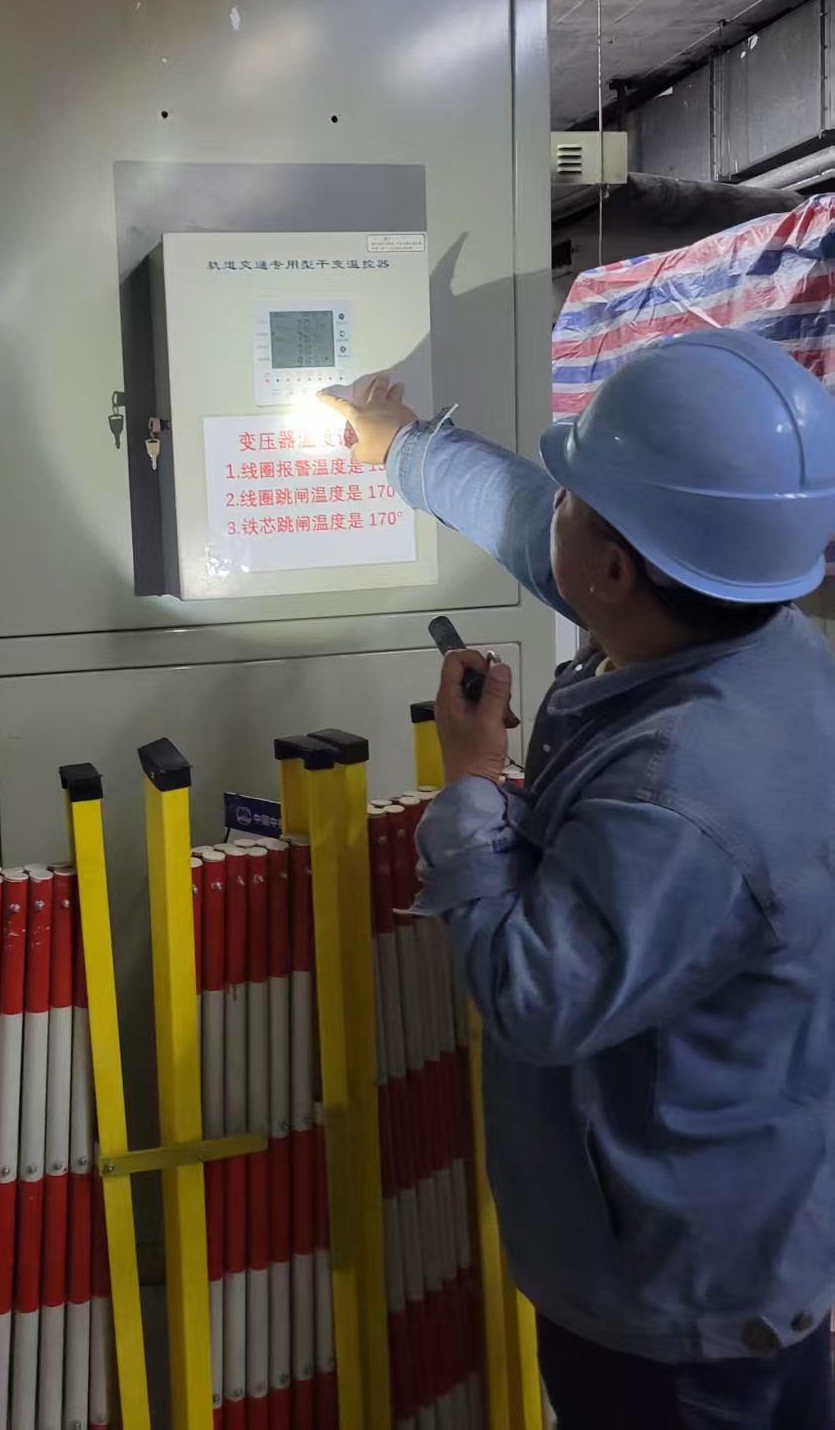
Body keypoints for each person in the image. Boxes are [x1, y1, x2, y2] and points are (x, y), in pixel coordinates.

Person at [321, 329, 835, 1430]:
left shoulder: (679, 795)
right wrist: (401, 446)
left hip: (676, 1310)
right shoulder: (760, 640)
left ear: (612, 571)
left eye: (572, 494)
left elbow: (535, 995)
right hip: (748, 1226)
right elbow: (543, 534)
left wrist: (469, 783)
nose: (549, 503)